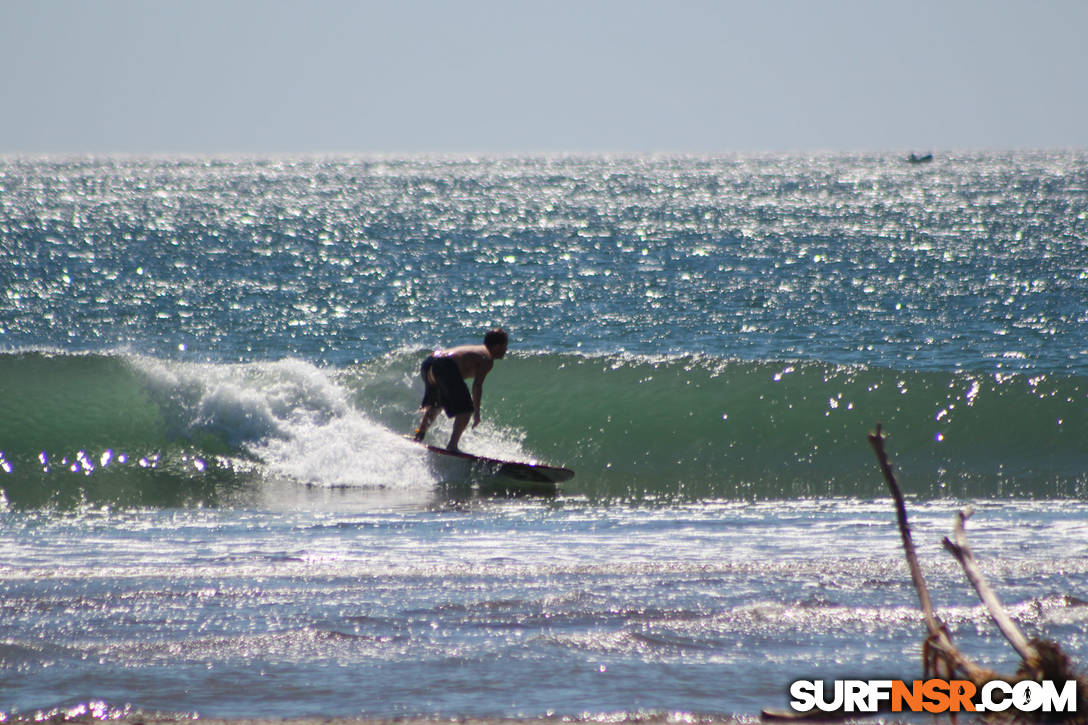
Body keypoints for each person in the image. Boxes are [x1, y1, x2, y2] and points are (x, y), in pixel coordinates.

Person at [414, 328, 508, 452]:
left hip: (429, 362)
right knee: (465, 410)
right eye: (505, 346)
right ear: (497, 346)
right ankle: (452, 446)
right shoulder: (487, 358)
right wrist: (476, 412)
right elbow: (477, 386)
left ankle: (418, 436)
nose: (506, 350)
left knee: (437, 405)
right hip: (445, 365)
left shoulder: (477, 350)